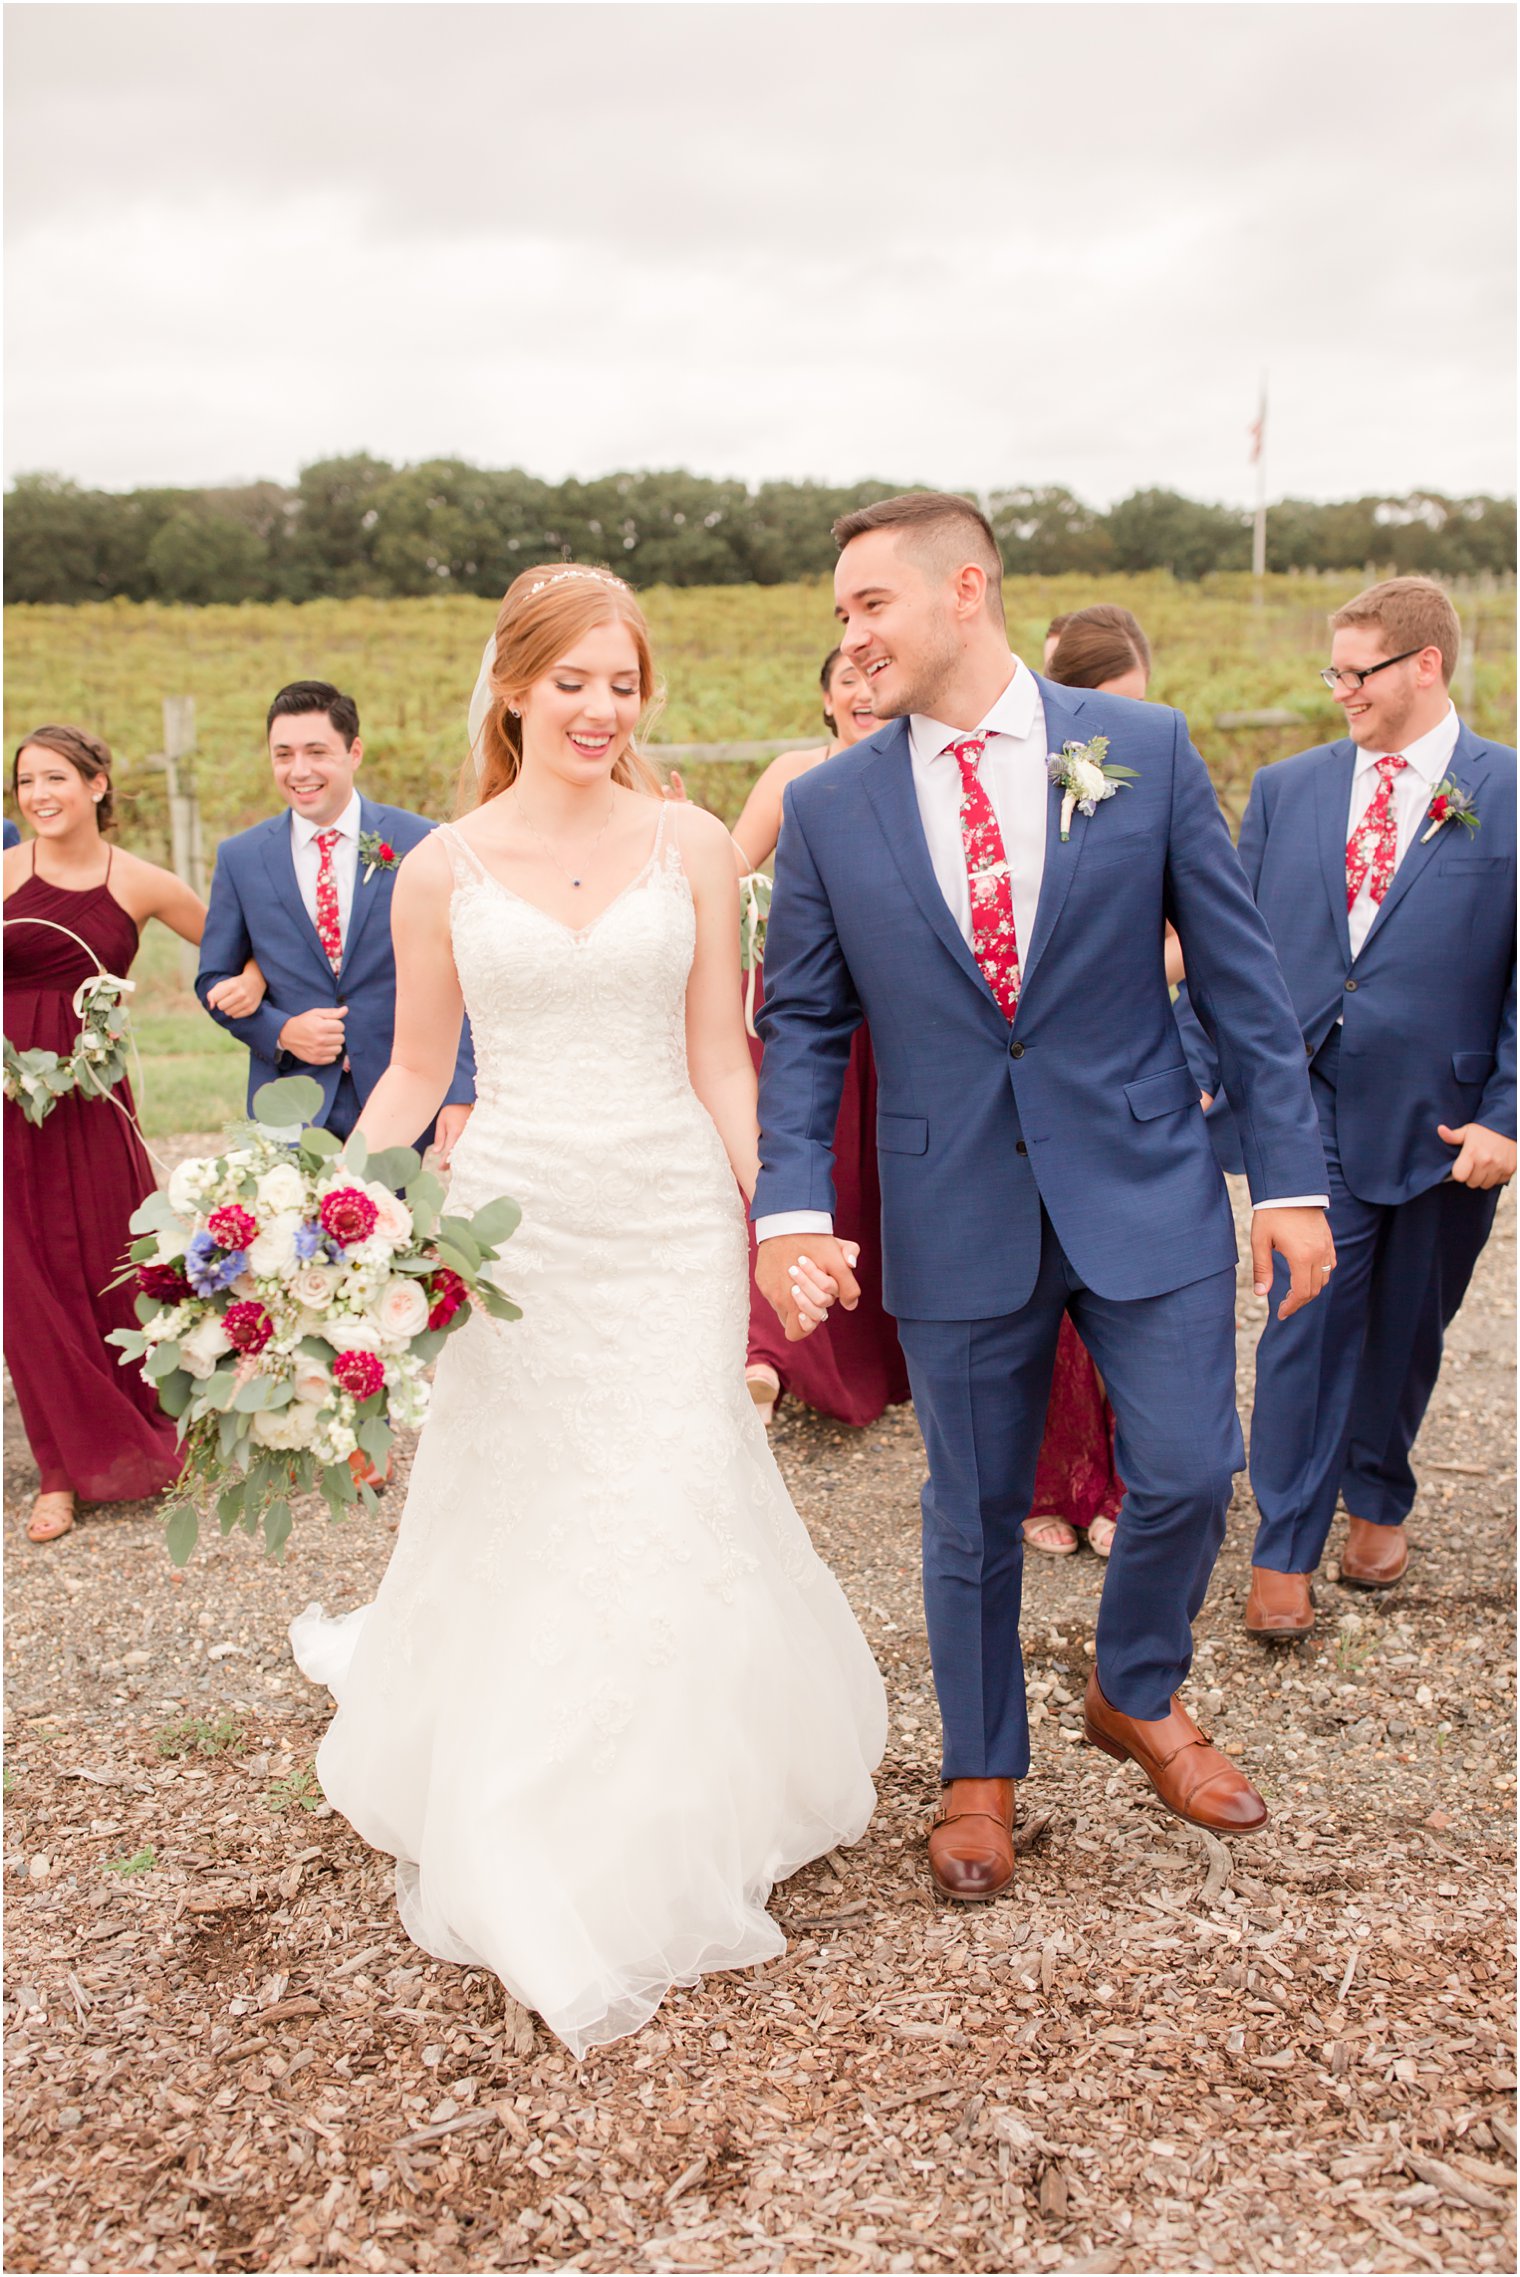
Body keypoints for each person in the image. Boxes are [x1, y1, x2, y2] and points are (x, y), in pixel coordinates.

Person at [289, 566, 886, 2057]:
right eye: (575, 684)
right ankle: (530, 1790)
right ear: (513, 687)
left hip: (669, 1215)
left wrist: (780, 1213)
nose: (603, 711)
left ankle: (680, 1795)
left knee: (668, 1484)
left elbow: (724, 1061)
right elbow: (420, 1075)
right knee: (532, 1490)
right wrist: (329, 1223)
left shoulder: (690, 841)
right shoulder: (442, 867)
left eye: (625, 685)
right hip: (518, 1225)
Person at [753, 492, 1335, 1903]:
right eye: (840, 616)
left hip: (1145, 1175)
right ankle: (980, 1768)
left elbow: (1247, 985)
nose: (851, 635)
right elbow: (809, 1021)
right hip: (952, 1197)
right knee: (970, 1506)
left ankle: (1135, 1687)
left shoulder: (1142, 748)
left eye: (868, 605)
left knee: (1196, 1467)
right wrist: (785, 1207)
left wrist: (1292, 1180)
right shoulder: (834, 806)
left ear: (965, 592)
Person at [1174, 578, 1515, 1639]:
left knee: (1410, 1325)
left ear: (1424, 665)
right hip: (1300, 1102)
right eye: (1332, 671)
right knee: (1299, 1316)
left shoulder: (1504, 790)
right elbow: (1227, 948)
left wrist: (1506, 1110)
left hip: (1442, 1117)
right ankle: (1283, 1543)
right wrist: (1195, 1059)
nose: (1338, 693)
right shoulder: (1285, 790)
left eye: (1355, 672)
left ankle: (1376, 1488)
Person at [3, 726, 265, 1543]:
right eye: (24, 783)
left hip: (94, 1096)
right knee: (28, 1277)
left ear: (98, 784)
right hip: (11, 1096)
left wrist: (253, 977)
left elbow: (230, 951)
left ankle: (138, 1427)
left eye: (54, 778)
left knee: (115, 1262)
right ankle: (58, 1469)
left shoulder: (144, 882)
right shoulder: (3, 873)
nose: (38, 795)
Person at [729, 649, 911, 1429]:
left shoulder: (917, 771)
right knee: (800, 1169)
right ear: (827, 697)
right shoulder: (794, 774)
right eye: (846, 680)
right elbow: (734, 869)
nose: (862, 691)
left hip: (896, 1009)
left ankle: (874, 1352)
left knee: (878, 1180)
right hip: (807, 1004)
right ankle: (768, 1351)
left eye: (874, 678)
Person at [1020, 604, 1162, 1560]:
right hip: (1038, 1080)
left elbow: (1203, 935)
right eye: (1110, 707)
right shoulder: (1010, 783)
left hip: (1133, 1070)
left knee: (1131, 1296)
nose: (1126, 729)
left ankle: (1121, 1481)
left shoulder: (1156, 773)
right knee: (1044, 1313)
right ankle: (1053, 1481)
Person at [196, 681, 475, 1159]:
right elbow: (214, 980)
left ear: (354, 752)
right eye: (283, 755)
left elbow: (463, 972)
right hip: (293, 1103)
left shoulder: (424, 842)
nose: (299, 770)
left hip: (402, 1096)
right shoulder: (240, 858)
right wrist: (280, 1030)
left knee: (406, 1230)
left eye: (316, 752)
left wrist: (459, 1090)